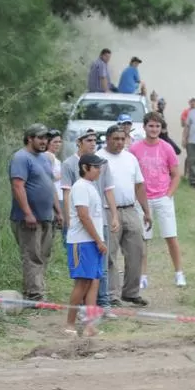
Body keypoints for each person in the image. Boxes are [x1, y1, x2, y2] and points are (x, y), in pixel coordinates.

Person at [61, 129, 119, 311]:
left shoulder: (96, 175)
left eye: (95, 140)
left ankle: (97, 310)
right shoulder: (73, 170)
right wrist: (70, 223)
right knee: (83, 279)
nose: (93, 143)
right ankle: (76, 315)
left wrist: (114, 215)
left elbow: (108, 191)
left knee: (96, 275)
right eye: (89, 140)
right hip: (82, 234)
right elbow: (79, 210)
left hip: (96, 227)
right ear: (79, 142)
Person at [130, 111, 186, 288]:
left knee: (170, 236)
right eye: (151, 126)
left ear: (161, 128)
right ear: (145, 127)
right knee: (143, 239)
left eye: (157, 126)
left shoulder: (166, 147)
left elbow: (176, 175)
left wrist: (169, 195)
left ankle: (179, 273)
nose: (154, 129)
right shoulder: (135, 149)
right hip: (142, 200)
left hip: (163, 197)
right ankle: (143, 276)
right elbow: (131, 175)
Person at [98, 125, 152, 306]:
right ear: (107, 139)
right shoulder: (99, 158)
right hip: (107, 210)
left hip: (130, 209)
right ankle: (112, 294)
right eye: (115, 139)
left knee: (137, 250)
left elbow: (139, 185)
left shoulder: (130, 158)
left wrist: (146, 210)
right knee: (110, 253)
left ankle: (131, 291)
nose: (119, 142)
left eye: (122, 139)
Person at [9, 123, 63, 301]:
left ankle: (37, 289)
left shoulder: (45, 158)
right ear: (29, 138)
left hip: (46, 216)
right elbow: (18, 186)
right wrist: (27, 213)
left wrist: (58, 211)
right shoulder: (21, 158)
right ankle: (34, 295)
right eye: (40, 138)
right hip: (29, 219)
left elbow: (50, 186)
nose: (44, 141)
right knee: (32, 255)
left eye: (46, 138)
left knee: (43, 255)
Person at [65, 153, 108, 338]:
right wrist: (98, 240)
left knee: (93, 282)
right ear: (85, 167)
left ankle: (90, 325)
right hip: (82, 242)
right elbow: (83, 216)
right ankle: (69, 324)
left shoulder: (91, 186)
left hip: (92, 241)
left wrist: (99, 240)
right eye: (96, 167)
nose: (99, 170)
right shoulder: (80, 187)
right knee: (82, 283)